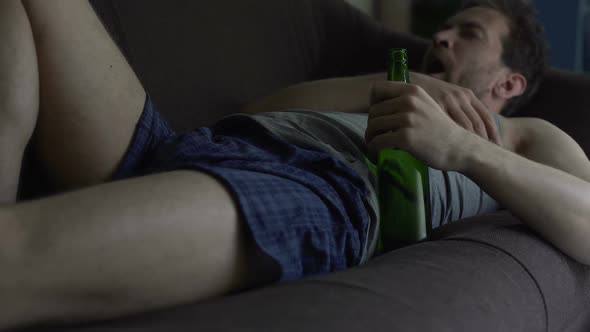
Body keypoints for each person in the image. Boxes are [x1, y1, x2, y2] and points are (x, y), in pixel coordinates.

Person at [1, 0, 589, 329]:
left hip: (310, 186)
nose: (442, 35)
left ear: (509, 81)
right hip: (191, 147)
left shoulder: (524, 136)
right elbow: (262, 111)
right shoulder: (387, 84)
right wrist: (387, 87)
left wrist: (462, 149)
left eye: (469, 33)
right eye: (447, 25)